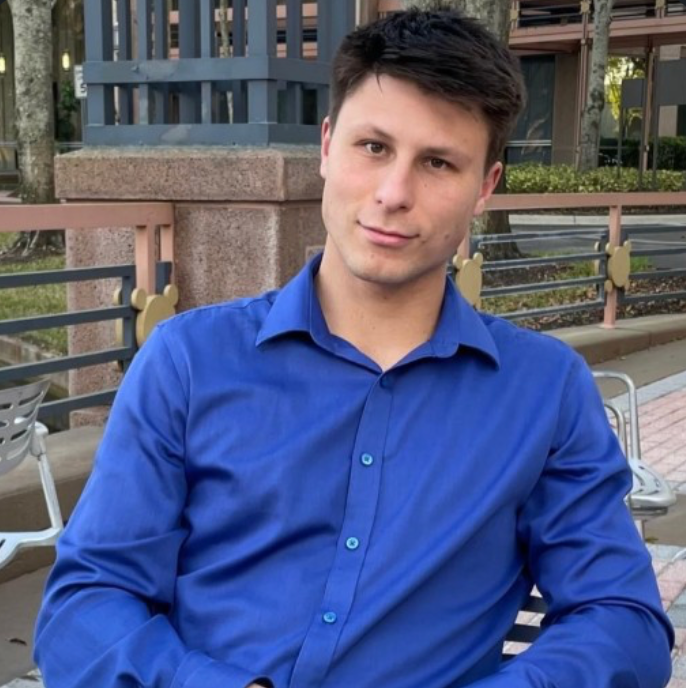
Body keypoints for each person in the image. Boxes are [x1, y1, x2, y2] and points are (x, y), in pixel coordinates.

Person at [35, 6, 673, 688]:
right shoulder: (189, 361)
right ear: (327, 146)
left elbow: (623, 620)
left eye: (438, 162)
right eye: (373, 147)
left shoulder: (543, 390)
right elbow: (84, 605)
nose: (394, 194)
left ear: (485, 188)